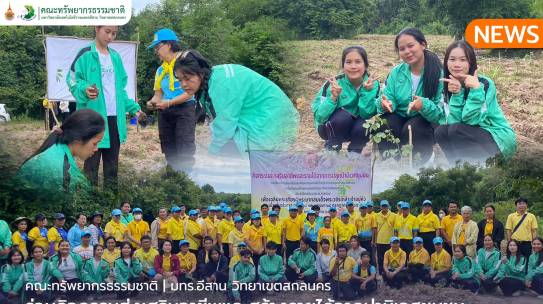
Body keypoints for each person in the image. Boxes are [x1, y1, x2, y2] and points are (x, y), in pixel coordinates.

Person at [174, 50, 300, 156]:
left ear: (200, 73)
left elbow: (224, 128)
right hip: (261, 112)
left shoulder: (220, 87)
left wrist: (211, 156)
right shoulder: (212, 77)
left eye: (187, 78)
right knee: (226, 146)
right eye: (180, 80)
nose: (183, 84)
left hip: (271, 117)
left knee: (227, 149)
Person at [66, 26, 143, 192]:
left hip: (114, 120)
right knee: (91, 166)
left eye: (114, 33)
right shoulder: (85, 54)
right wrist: (84, 89)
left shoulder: (115, 57)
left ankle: (111, 204)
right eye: (107, 31)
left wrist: (134, 108)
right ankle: (90, 206)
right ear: (96, 28)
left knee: (112, 167)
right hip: (92, 120)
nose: (110, 37)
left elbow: (120, 91)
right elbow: (72, 80)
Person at [435, 40, 516, 163]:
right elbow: (453, 122)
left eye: (463, 60)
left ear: (470, 62)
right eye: (452, 59)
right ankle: (458, 168)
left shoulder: (485, 84)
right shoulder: (448, 87)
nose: (457, 64)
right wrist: (457, 94)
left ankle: (486, 167)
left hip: (496, 137)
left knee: (455, 130)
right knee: (441, 131)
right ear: (446, 62)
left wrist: (476, 90)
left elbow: (471, 120)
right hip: (468, 134)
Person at [376, 28, 443, 164]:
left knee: (413, 128)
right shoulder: (396, 72)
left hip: (427, 119)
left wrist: (423, 106)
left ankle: (423, 162)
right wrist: (386, 104)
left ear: (423, 45)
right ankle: (390, 162)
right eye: (402, 49)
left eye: (411, 46)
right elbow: (386, 95)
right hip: (401, 115)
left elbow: (440, 112)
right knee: (384, 123)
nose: (407, 51)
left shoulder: (439, 74)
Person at [16, 109, 105, 193]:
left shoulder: (58, 148)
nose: (96, 148)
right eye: (95, 143)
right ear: (78, 139)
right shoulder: (61, 170)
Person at [311, 45, 379, 152]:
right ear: (343, 66)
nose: (353, 66)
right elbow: (320, 117)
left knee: (364, 125)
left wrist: (366, 91)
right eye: (348, 62)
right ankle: (332, 149)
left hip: (355, 128)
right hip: (329, 128)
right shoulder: (334, 84)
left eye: (358, 62)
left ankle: (354, 155)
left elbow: (367, 114)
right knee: (343, 116)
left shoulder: (373, 85)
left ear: (365, 65)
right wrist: (333, 97)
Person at [146, 28, 196, 172]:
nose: (156, 51)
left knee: (184, 147)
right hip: (165, 112)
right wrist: (152, 103)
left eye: (157, 46)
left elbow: (190, 93)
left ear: (168, 45)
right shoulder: (160, 70)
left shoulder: (185, 62)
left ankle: (187, 181)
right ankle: (173, 178)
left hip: (184, 109)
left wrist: (169, 102)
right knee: (169, 147)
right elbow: (158, 94)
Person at [375, 200, 397, 274]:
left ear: (388, 206)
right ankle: (381, 272)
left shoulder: (394, 215)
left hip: (390, 241)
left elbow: (396, 228)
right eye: (383, 206)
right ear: (380, 207)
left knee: (390, 257)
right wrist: (374, 240)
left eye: (386, 206)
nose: (384, 207)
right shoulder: (376, 215)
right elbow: (375, 229)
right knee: (380, 258)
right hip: (379, 240)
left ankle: (389, 272)